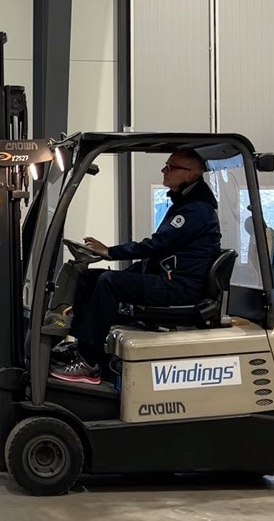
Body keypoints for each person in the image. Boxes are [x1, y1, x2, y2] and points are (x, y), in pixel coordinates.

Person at [50, 149, 221, 385]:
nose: (164, 170)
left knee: (109, 283)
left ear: (191, 175)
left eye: (171, 167)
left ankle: (89, 363)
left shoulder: (197, 209)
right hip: (169, 278)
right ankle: (82, 348)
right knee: (90, 277)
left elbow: (158, 245)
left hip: (181, 287)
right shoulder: (185, 203)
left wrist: (111, 252)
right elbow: (162, 253)